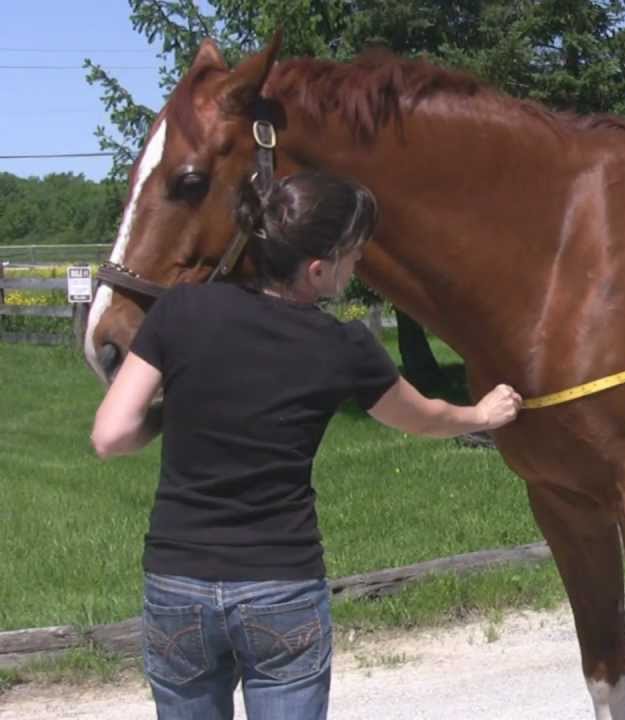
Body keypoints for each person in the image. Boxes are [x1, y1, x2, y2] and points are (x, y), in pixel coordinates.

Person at [90, 171, 522, 719]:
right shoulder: (343, 346)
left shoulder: (180, 310)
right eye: (354, 254)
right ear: (318, 269)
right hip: (279, 588)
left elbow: (110, 435)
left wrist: (172, 412)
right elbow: (423, 418)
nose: (358, 264)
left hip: (178, 586)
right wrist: (481, 414)